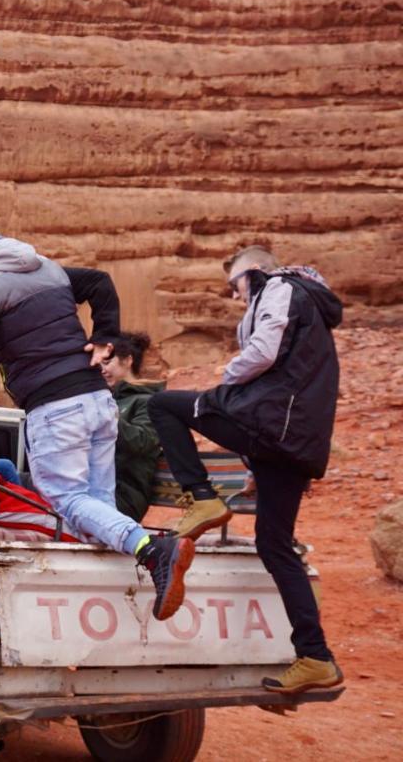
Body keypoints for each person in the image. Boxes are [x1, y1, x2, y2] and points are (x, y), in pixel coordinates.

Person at [0, 225, 194, 623]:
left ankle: (154, 551)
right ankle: (108, 604)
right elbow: (100, 283)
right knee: (96, 506)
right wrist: (105, 337)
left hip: (56, 407)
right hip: (98, 403)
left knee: (67, 499)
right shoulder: (47, 269)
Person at [147, 246, 344, 693]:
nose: (238, 298)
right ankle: (316, 657)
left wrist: (227, 377)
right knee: (275, 546)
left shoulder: (277, 286)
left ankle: (203, 498)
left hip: (272, 425)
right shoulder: (315, 310)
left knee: (163, 405)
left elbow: (265, 348)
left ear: (251, 272)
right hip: (294, 443)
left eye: (236, 286)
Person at [98, 331, 164, 521]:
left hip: (124, 496)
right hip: (94, 489)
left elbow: (142, 441)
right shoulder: (109, 400)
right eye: (98, 364)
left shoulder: (149, 402)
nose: (101, 370)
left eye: (107, 362)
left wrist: (108, 417)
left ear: (127, 360)